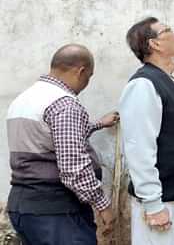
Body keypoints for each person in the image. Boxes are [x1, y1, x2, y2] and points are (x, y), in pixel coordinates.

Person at [6, 44, 118, 244]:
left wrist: (99, 124)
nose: (86, 83)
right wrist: (103, 205)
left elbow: (52, 138)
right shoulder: (64, 104)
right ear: (81, 71)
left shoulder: (24, 99)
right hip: (56, 211)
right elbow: (74, 168)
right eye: (89, 77)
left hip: (24, 207)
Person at [118, 17, 174, 244]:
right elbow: (139, 148)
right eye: (167, 30)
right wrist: (153, 204)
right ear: (154, 44)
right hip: (163, 201)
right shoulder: (143, 85)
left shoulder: (166, 80)